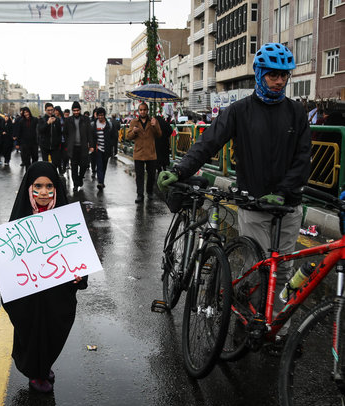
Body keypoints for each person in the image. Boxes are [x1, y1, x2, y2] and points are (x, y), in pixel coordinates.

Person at [158, 43, 311, 342]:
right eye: (273, 76)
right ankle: (250, 320)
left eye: (284, 76)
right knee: (257, 270)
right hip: (253, 205)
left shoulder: (296, 112)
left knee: (283, 270)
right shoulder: (239, 111)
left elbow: (303, 159)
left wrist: (283, 191)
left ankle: (277, 329)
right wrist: (179, 170)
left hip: (288, 206)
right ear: (259, 75)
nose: (280, 81)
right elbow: (208, 143)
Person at [0, 162, 88, 393]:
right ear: (29, 188)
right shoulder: (20, 216)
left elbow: (77, 253)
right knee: (31, 329)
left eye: (49, 186)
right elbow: (7, 253)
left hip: (57, 289)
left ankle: (44, 364)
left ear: (57, 188)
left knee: (54, 329)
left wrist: (81, 275)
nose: (43, 192)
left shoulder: (65, 216)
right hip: (27, 293)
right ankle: (36, 372)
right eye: (38, 186)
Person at [127, 102, 162, 202]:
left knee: (151, 175)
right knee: (139, 176)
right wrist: (134, 131)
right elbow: (128, 136)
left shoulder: (153, 121)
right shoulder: (134, 122)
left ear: (147, 111)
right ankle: (140, 194)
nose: (143, 111)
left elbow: (159, 135)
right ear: (138, 111)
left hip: (151, 153)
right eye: (141, 110)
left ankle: (150, 192)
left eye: (144, 110)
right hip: (138, 153)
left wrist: (155, 125)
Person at [63, 101, 94, 192]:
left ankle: (80, 178)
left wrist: (91, 145)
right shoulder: (68, 120)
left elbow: (89, 133)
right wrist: (68, 143)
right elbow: (65, 133)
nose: (76, 112)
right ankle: (76, 184)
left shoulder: (85, 119)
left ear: (80, 110)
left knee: (84, 165)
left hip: (83, 147)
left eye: (77, 110)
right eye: (74, 110)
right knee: (74, 166)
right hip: (73, 148)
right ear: (72, 111)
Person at [91, 107, 115, 189]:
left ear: (104, 115)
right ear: (97, 116)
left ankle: (102, 181)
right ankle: (100, 182)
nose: (100, 117)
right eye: (99, 115)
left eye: (102, 115)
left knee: (104, 166)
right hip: (98, 149)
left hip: (107, 149)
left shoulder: (109, 125)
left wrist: (112, 146)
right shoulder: (93, 124)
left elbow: (113, 137)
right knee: (99, 165)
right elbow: (91, 137)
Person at [37, 102, 63, 172]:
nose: (50, 112)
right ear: (45, 110)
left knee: (55, 163)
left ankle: (54, 177)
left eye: (52, 110)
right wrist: (47, 123)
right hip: (44, 145)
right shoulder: (41, 119)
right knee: (45, 164)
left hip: (55, 146)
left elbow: (59, 132)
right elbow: (40, 130)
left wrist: (58, 141)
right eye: (48, 110)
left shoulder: (57, 120)